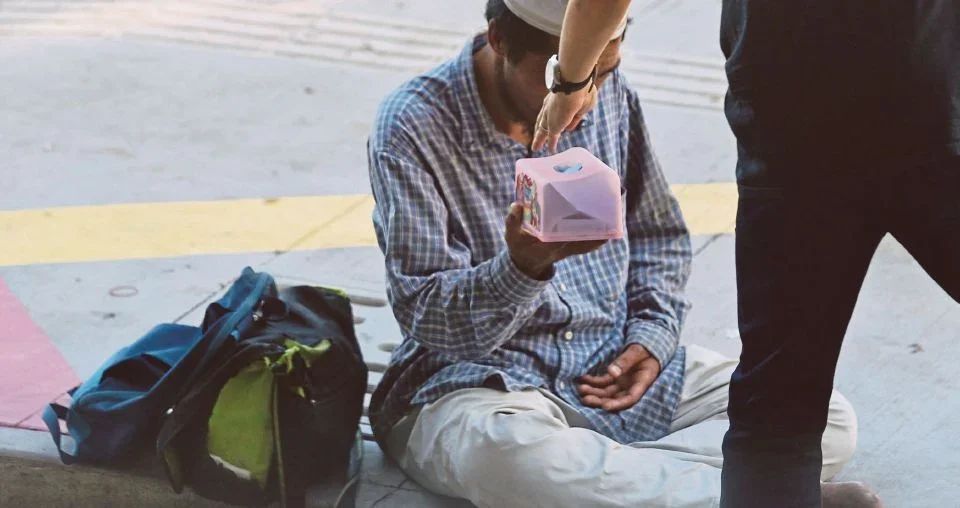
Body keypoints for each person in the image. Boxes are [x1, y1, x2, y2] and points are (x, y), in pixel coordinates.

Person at [366, 1, 868, 506]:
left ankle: (622, 482)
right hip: (484, 388)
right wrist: (521, 268)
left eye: (602, 75)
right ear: (499, 41)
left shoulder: (609, 95)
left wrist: (651, 336)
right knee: (505, 456)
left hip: (606, 367)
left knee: (823, 418)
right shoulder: (411, 126)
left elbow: (658, 235)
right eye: (564, 80)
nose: (585, 102)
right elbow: (425, 314)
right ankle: (759, 496)